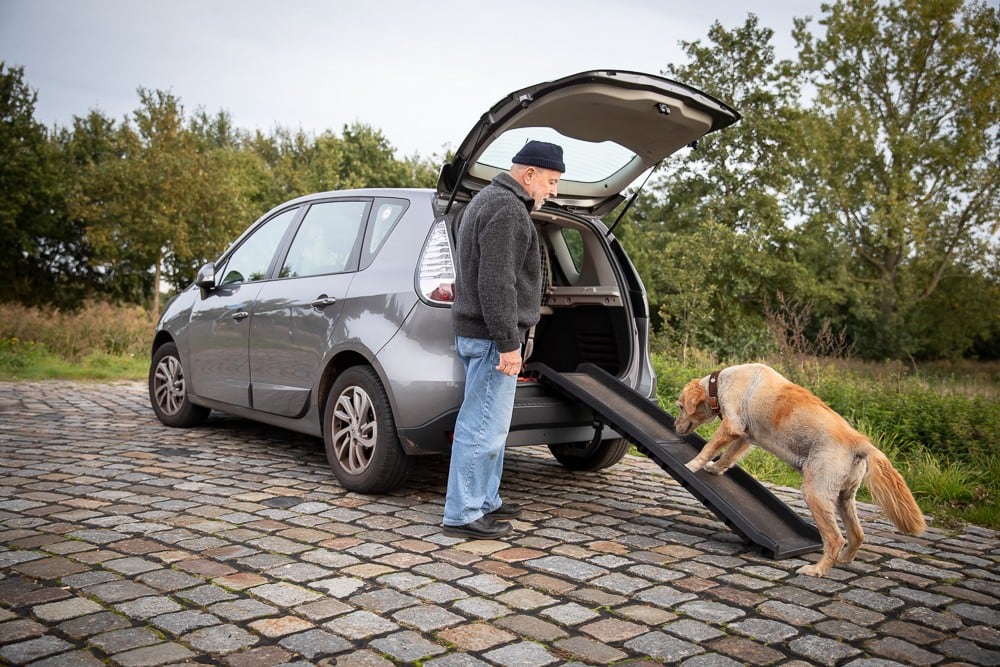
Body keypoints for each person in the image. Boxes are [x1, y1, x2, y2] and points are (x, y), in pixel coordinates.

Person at [442, 140, 565, 539]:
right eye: (551, 181)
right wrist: (508, 343)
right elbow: (496, 282)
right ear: (528, 174)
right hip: (492, 338)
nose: (554, 191)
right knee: (483, 427)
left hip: (478, 332)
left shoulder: (485, 201)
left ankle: (486, 499)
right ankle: (463, 514)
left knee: (489, 423)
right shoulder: (509, 210)